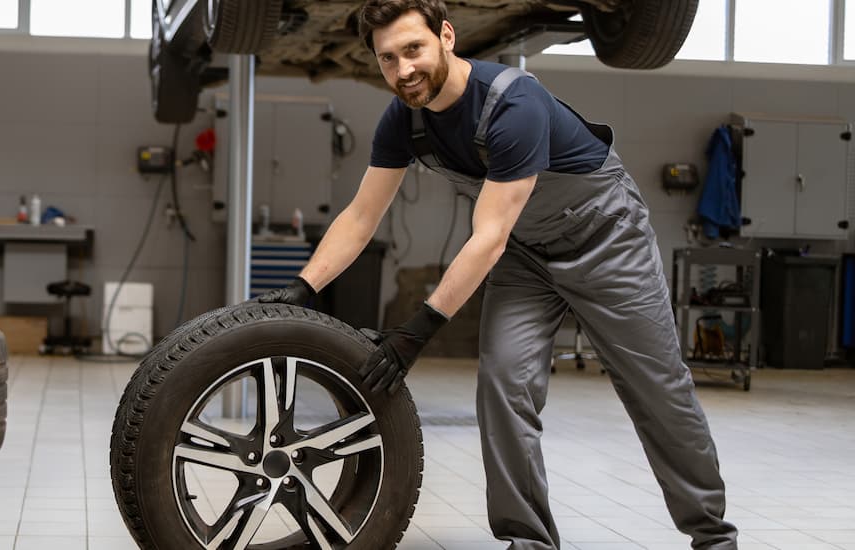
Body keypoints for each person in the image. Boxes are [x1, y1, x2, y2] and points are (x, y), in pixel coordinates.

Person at [255, 0, 739, 548]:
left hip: (606, 242)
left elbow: (487, 237)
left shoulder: (513, 103)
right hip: (527, 256)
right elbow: (362, 215)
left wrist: (417, 332)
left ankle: (713, 535)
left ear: (446, 36)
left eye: (413, 50)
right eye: (388, 59)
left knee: (658, 391)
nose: (404, 69)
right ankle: (528, 540)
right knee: (503, 387)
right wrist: (305, 285)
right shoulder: (404, 122)